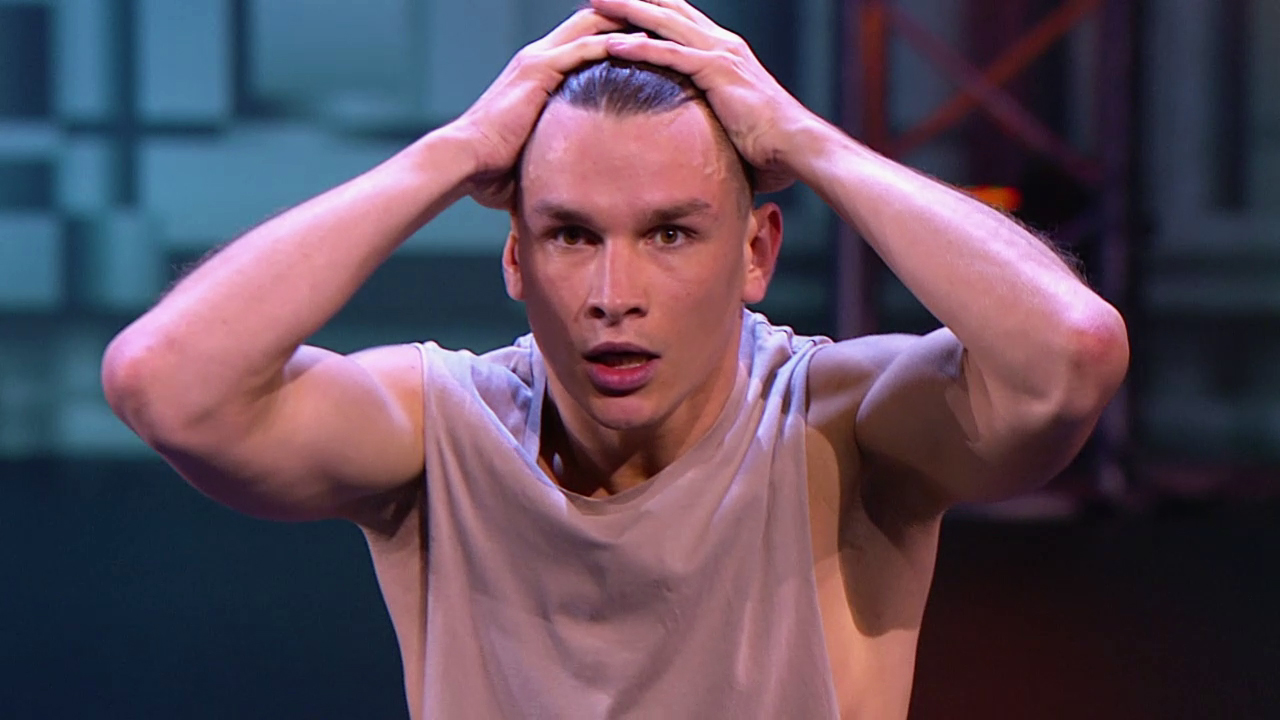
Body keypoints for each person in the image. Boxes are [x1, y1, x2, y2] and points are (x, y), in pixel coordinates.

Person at [100, 0, 1129, 717]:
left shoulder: (835, 422)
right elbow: (165, 381)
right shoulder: (443, 427)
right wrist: (454, 151)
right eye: (570, 234)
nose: (612, 294)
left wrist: (807, 139)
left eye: (670, 234)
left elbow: (1069, 353)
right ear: (515, 256)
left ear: (757, 252)